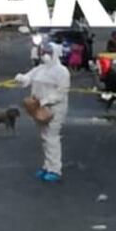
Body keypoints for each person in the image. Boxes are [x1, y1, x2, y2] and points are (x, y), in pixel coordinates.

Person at [15, 42, 70, 182]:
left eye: (48, 53)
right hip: (38, 108)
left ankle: (55, 169)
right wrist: (21, 78)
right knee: (44, 138)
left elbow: (61, 93)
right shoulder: (40, 69)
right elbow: (28, 79)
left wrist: (45, 101)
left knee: (52, 138)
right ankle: (47, 165)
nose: (45, 55)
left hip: (54, 109)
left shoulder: (62, 72)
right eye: (43, 52)